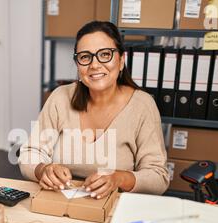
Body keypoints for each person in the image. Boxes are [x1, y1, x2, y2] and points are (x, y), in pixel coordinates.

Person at [18, 21, 169, 199]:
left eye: (105, 54)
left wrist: (118, 178)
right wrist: (42, 169)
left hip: (116, 206)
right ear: (78, 64)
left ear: (121, 61)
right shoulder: (60, 97)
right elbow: (29, 153)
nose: (94, 65)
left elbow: (159, 176)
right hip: (59, 200)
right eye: (85, 57)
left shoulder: (142, 105)